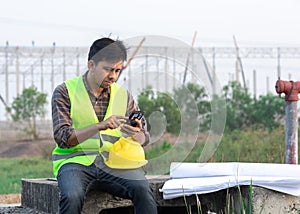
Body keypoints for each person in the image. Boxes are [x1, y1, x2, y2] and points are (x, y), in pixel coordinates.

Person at [51, 37, 157, 214]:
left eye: (117, 70)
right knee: (72, 196)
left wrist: (136, 132)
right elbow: (63, 138)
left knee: (143, 189)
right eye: (108, 70)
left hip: (113, 163)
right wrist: (99, 126)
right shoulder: (64, 92)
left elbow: (144, 138)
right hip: (74, 162)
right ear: (91, 65)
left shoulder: (124, 96)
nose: (113, 76)